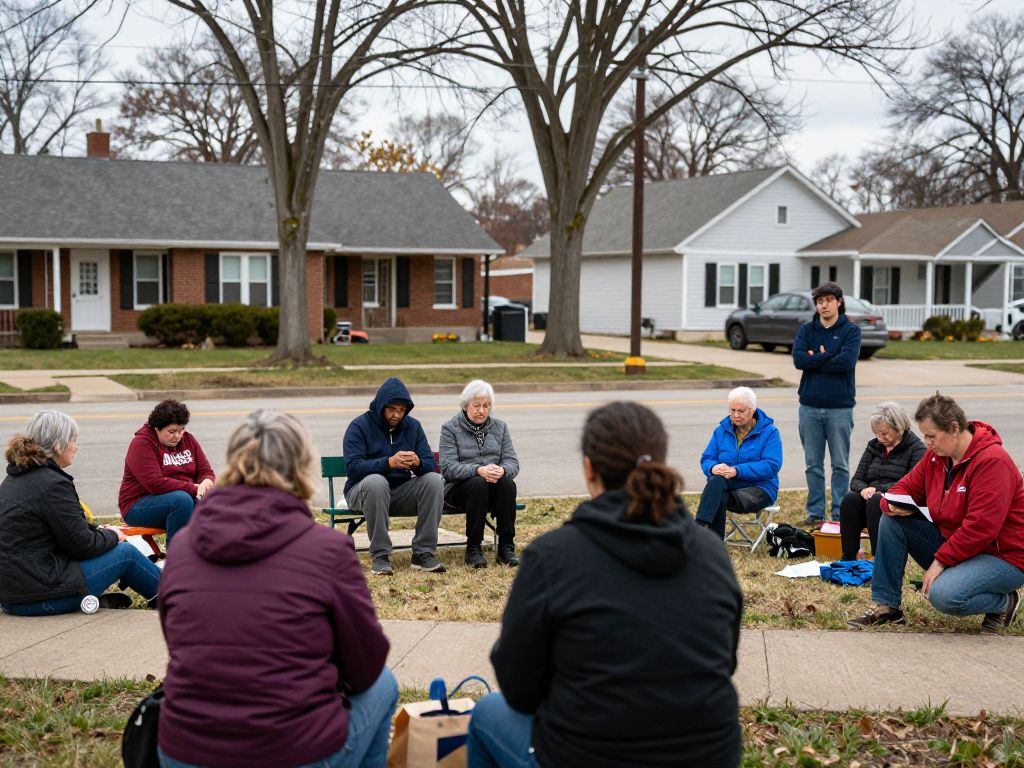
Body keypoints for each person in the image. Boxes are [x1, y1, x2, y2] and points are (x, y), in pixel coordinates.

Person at [467, 402, 743, 768]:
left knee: (489, 711)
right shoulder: (711, 552)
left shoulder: (553, 556)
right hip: (709, 754)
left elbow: (518, 688)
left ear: (588, 469)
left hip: (587, 753)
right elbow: (724, 661)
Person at [157, 409, 396, 768]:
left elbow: (177, 639)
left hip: (185, 751)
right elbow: (366, 667)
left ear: (233, 463)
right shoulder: (327, 550)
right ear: (300, 466)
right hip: (292, 750)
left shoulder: (182, 546)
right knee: (385, 684)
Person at [849, 394, 1024, 633]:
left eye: (931, 436)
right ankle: (887, 607)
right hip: (956, 545)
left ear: (954, 428)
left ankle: (1004, 602)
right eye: (924, 435)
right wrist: (889, 505)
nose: (926, 442)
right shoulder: (936, 457)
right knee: (891, 522)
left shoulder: (992, 462)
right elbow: (903, 487)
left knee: (942, 596)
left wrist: (940, 561)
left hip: (1002, 556)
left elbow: (981, 527)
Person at [0, 410, 160, 616]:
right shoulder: (52, 484)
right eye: (73, 440)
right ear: (58, 445)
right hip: (38, 596)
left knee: (111, 544)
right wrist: (113, 535)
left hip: (12, 596)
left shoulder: (17, 477)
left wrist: (96, 530)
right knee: (125, 554)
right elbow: (82, 546)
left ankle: (90, 600)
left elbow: (59, 530)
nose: (76, 447)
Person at [343, 377, 445, 575]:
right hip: (362, 493)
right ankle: (380, 556)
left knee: (434, 480)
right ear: (381, 406)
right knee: (376, 482)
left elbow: (430, 465)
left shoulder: (413, 427)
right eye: (392, 409)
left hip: (398, 494)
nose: (397, 415)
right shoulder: (359, 426)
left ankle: (423, 554)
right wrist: (388, 463)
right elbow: (353, 468)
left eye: (402, 410)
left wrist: (418, 463)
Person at [792, 281, 861, 525]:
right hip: (809, 406)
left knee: (840, 465)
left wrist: (817, 357)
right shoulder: (807, 330)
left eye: (828, 300)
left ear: (838, 302)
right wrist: (829, 354)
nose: (824, 305)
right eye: (820, 301)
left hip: (839, 408)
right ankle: (815, 514)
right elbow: (799, 360)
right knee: (813, 465)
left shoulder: (850, 331)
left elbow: (846, 363)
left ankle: (841, 515)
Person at [439, 380, 521, 569]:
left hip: (492, 487)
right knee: (478, 484)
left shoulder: (500, 428)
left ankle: (506, 547)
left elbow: (512, 462)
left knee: (508, 484)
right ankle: (473, 548)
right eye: (476, 406)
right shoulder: (450, 428)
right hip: (459, 489)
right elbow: (448, 468)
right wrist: (478, 470)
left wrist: (503, 470)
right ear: (466, 405)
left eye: (486, 406)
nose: (481, 411)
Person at [119, 400, 215, 544]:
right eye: (171, 431)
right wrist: (195, 488)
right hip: (138, 504)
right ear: (157, 428)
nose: (177, 436)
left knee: (218, 502)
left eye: (181, 430)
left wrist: (207, 482)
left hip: (184, 499)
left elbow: (205, 471)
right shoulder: (142, 443)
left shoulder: (188, 439)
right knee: (181, 500)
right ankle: (178, 559)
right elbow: (155, 483)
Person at [839, 402, 925, 561]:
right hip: (871, 498)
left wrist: (876, 489)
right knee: (850, 499)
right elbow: (856, 480)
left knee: (876, 499)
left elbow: (913, 483)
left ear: (898, 428)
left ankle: (880, 559)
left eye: (884, 433)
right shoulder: (874, 446)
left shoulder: (916, 448)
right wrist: (864, 489)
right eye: (877, 433)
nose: (880, 438)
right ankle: (849, 556)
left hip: (899, 502)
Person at [695, 386, 782, 539]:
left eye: (740, 411)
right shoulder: (721, 431)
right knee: (716, 482)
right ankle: (711, 539)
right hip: (727, 485)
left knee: (717, 494)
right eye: (732, 410)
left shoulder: (770, 432)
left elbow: (772, 465)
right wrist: (713, 467)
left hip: (759, 488)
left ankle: (701, 530)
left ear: (752, 409)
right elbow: (707, 458)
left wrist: (737, 471)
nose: (735, 415)